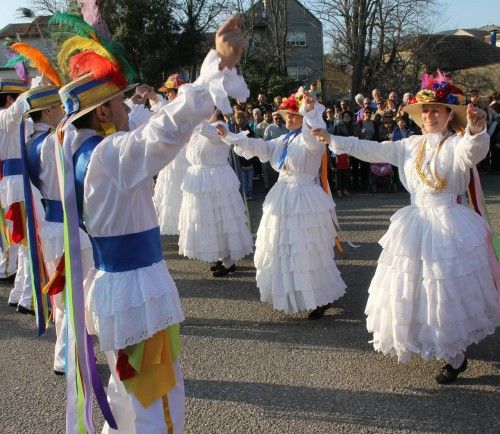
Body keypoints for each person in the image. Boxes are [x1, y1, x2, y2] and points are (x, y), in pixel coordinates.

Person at [55, 15, 247, 432]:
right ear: (103, 110)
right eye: (120, 102)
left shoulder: (82, 154)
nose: (127, 107)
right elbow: (162, 131)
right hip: (135, 291)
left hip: (119, 289)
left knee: (130, 395)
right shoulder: (108, 156)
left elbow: (156, 130)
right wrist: (215, 68)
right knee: (154, 401)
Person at [313, 71, 498, 384]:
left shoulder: (455, 145)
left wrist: (477, 131)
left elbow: (472, 152)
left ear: (448, 114)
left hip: (449, 222)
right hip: (415, 220)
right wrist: (333, 139)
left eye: (436, 111)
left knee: (443, 286)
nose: (429, 116)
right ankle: (424, 334)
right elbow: (371, 149)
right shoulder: (409, 145)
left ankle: (455, 355)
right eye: (425, 112)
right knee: (411, 284)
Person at [217, 89, 346, 320]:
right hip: (282, 195)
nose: (288, 118)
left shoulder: (312, 139)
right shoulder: (282, 139)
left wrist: (308, 112)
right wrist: (230, 136)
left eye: (293, 115)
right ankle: (294, 291)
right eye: (287, 114)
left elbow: (312, 134)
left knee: (306, 247)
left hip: (304, 197)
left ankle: (320, 296)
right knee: (283, 245)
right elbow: (261, 148)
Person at [178, 110, 253, 277]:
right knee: (209, 221)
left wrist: (191, 113)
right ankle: (221, 257)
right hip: (200, 179)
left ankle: (228, 262)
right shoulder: (199, 129)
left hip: (216, 179)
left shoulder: (220, 126)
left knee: (221, 220)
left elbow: (210, 132)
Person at [0, 78, 34, 314]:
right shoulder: (6, 116)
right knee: (25, 240)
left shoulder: (15, 120)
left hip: (14, 181)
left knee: (22, 241)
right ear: (11, 100)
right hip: (15, 183)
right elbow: (17, 111)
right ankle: (24, 295)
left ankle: (20, 292)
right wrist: (34, 89)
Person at [153, 73, 190, 236]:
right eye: (166, 92)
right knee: (171, 192)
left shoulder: (186, 110)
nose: (167, 95)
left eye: (170, 92)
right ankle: (179, 227)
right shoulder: (169, 108)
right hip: (170, 157)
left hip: (183, 156)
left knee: (182, 192)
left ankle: (188, 225)